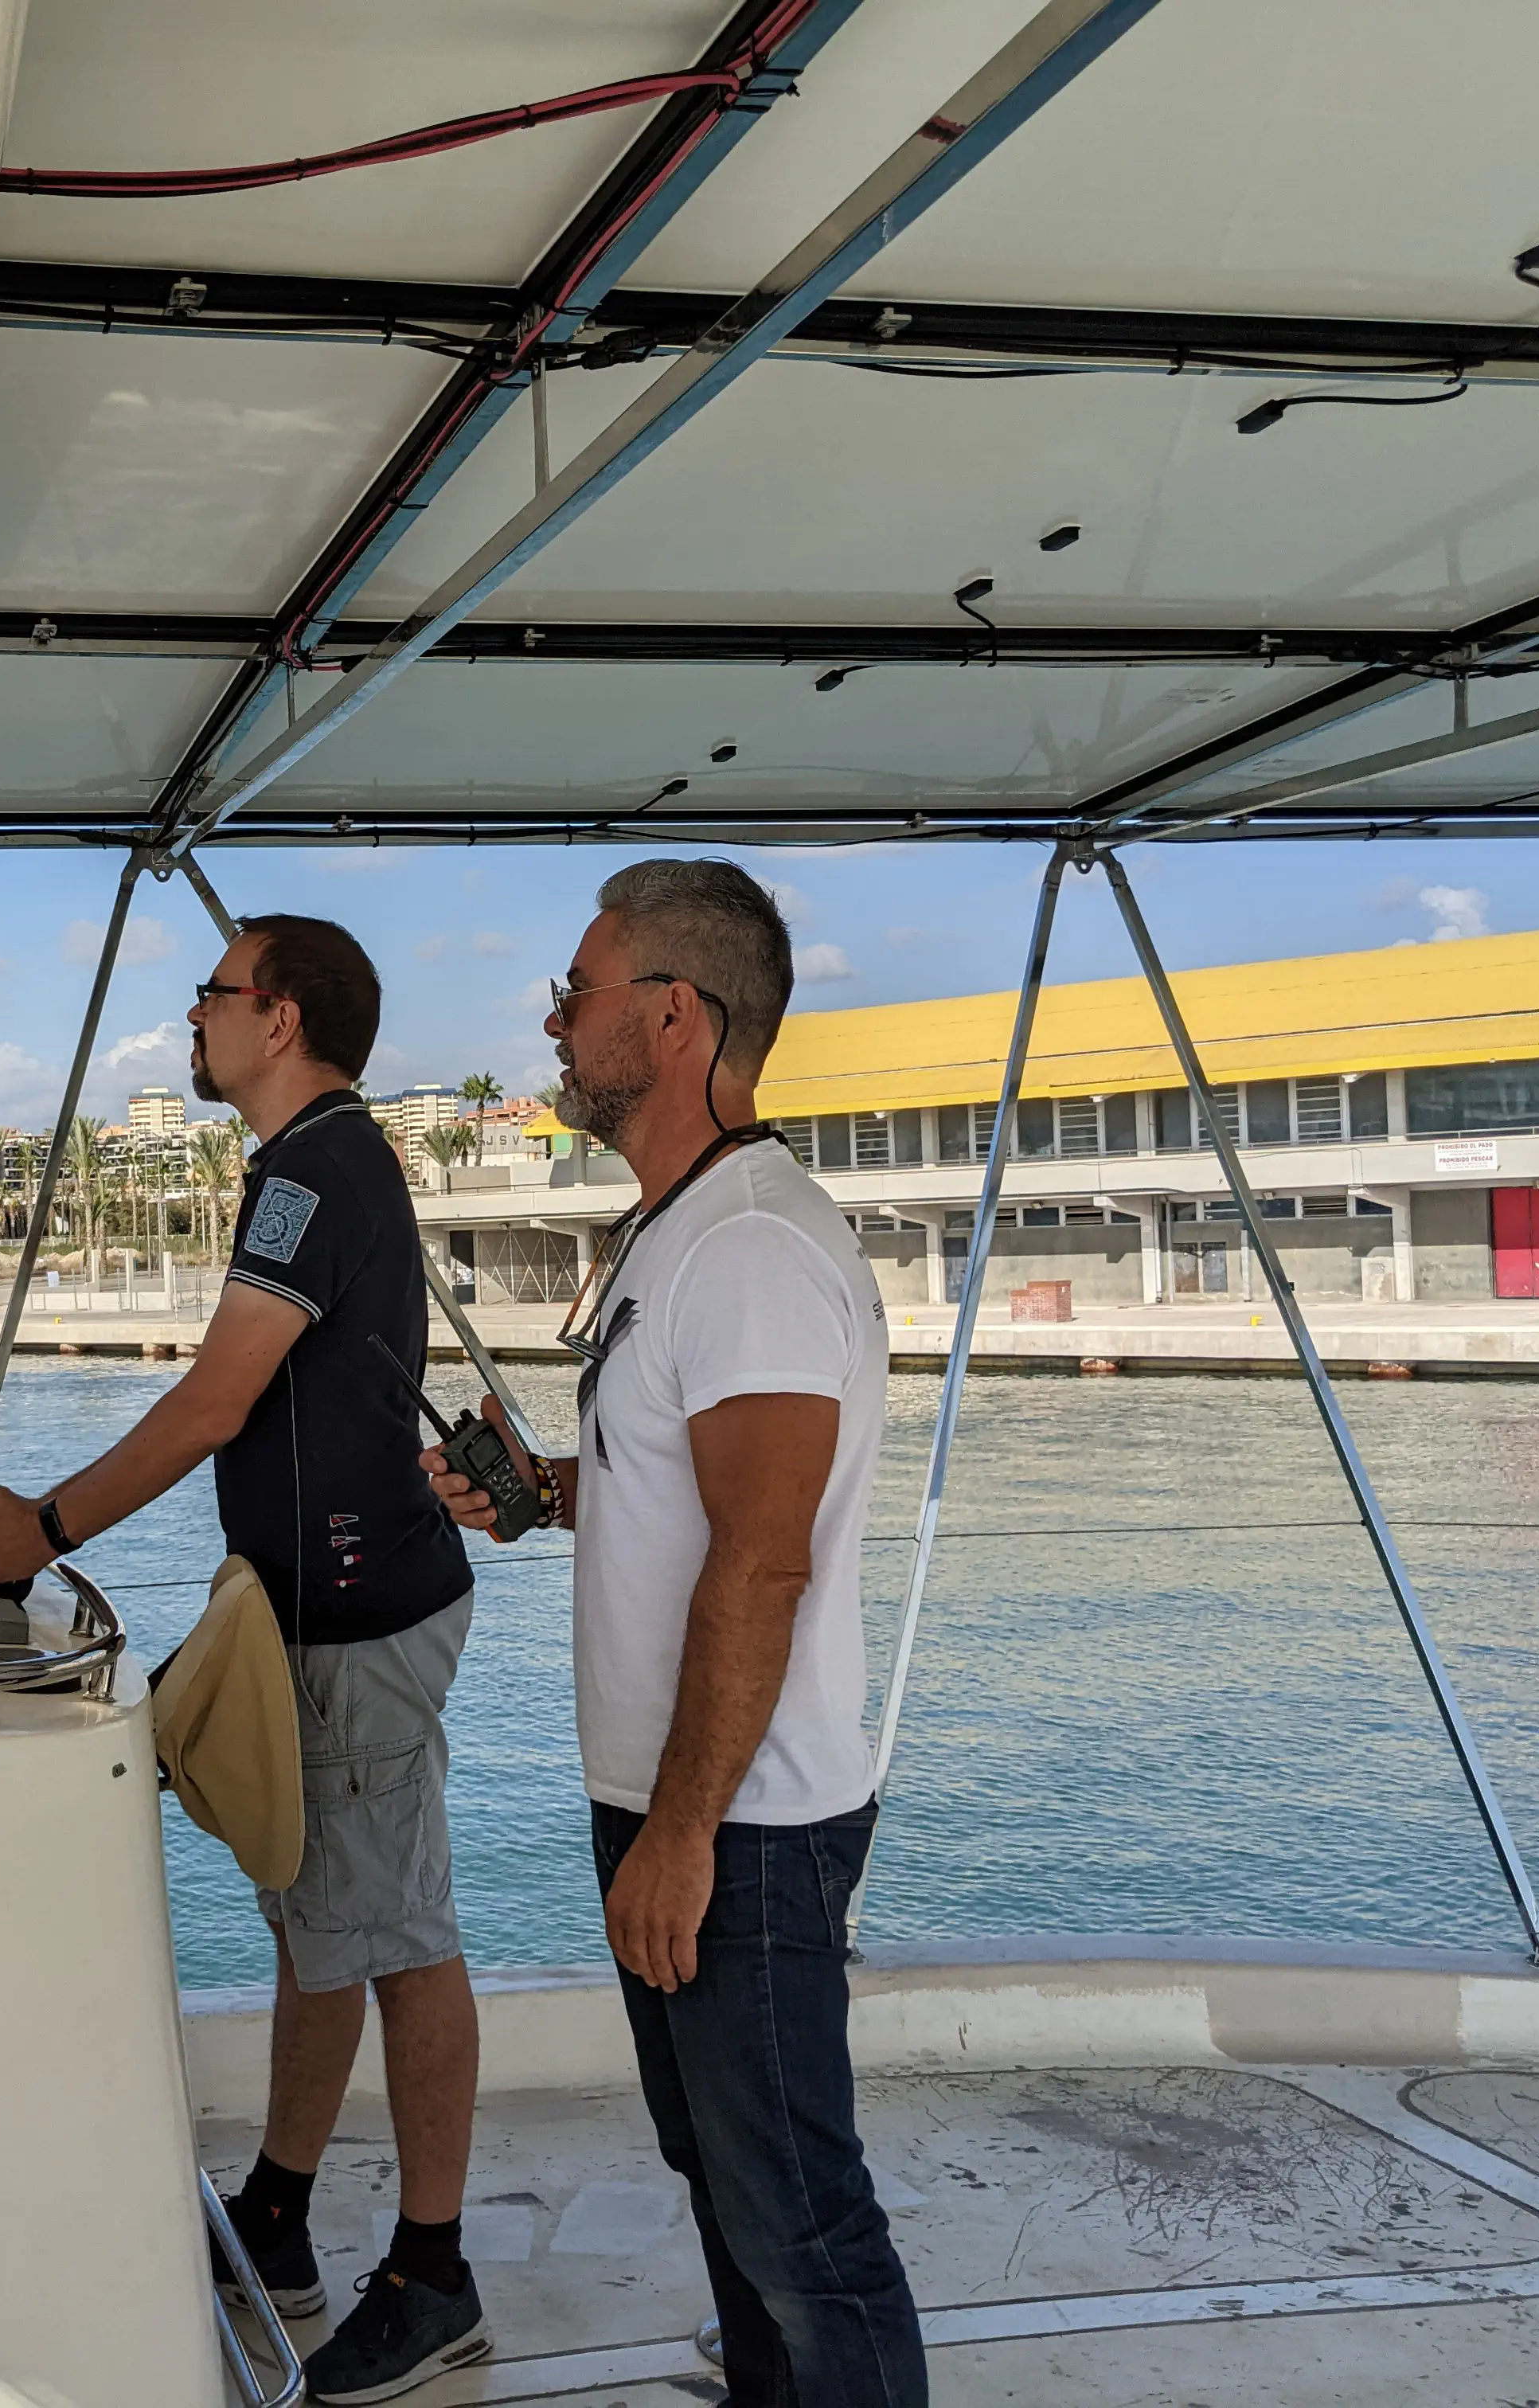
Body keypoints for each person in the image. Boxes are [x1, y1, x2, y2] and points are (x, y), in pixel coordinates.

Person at [0, 912, 490, 2405]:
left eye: (213, 995)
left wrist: (41, 1531)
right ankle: (282, 2213)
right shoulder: (311, 1166)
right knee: (326, 1922)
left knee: (401, 1938)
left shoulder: (318, 1169)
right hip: (319, 1607)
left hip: (360, 1619)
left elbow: (213, 1402)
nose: (193, 1019)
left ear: (283, 1017)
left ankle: (436, 2273)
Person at [424, 858, 926, 2406]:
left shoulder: (754, 1249)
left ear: (674, 1015)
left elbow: (765, 1563)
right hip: (687, 1807)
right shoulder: (683, 1233)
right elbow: (696, 1493)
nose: (558, 1024)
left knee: (801, 2222)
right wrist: (555, 1492)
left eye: (577, 995)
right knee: (729, 2185)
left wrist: (688, 1834)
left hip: (745, 1824)